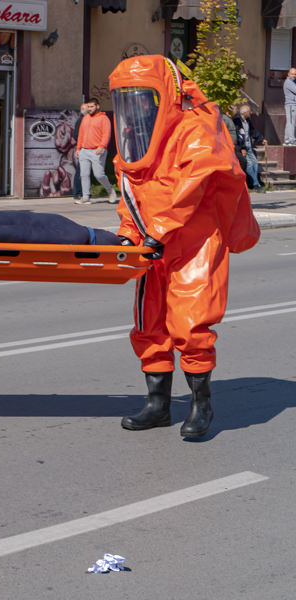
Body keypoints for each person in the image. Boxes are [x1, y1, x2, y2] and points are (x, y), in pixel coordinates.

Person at [109, 55, 259, 439]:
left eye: (144, 97)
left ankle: (201, 405)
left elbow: (191, 188)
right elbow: (131, 190)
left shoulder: (196, 129)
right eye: (129, 98)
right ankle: (158, 405)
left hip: (195, 242)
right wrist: (128, 232)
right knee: (149, 324)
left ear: (166, 95)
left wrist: (156, 230)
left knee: (191, 325)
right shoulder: (137, 138)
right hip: (153, 243)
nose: (137, 106)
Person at [75, 98, 116, 204]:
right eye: (88, 107)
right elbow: (81, 134)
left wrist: (102, 146)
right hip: (84, 150)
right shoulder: (85, 118)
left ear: (97, 106)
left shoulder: (104, 118)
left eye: (92, 106)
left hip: (97, 151)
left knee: (99, 175)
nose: (89, 109)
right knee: (84, 174)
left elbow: (106, 134)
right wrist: (78, 148)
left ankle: (110, 190)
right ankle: (85, 197)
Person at [232, 103, 265, 190]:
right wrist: (242, 148)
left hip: (249, 146)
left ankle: (254, 182)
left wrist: (261, 139)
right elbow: (238, 136)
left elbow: (252, 131)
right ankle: (255, 184)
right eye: (249, 111)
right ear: (245, 112)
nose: (251, 113)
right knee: (249, 164)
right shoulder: (237, 121)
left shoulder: (248, 121)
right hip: (242, 147)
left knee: (254, 163)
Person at [285, 67, 296, 145]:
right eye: (292, 74)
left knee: (290, 122)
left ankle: (287, 139)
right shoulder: (289, 82)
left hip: (291, 105)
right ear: (288, 74)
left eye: (295, 74)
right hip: (291, 105)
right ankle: (291, 139)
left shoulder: (292, 82)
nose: (294, 76)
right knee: (291, 122)